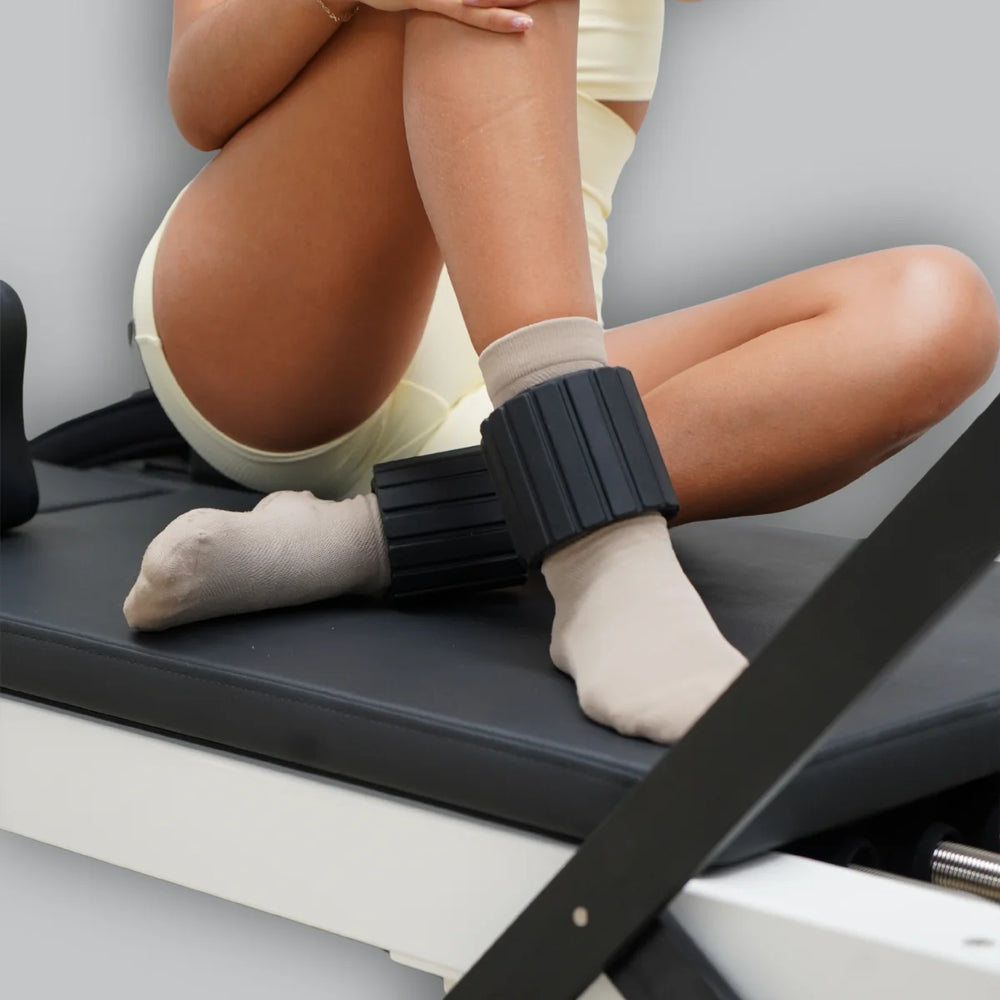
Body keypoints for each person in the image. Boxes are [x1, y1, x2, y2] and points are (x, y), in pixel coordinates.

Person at [123, 0, 1000, 744]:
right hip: (273, 327)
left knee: (937, 312)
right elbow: (199, 96)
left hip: (502, 383)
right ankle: (597, 545)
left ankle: (366, 542)